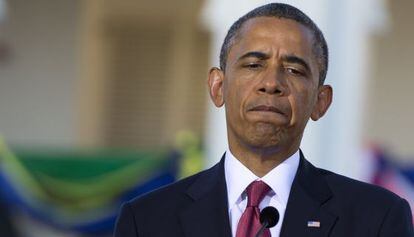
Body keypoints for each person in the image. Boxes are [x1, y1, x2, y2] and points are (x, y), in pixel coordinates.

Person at [114, 3, 413, 237]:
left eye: (295, 70)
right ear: (218, 87)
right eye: (254, 64)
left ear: (321, 102)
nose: (271, 83)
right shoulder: (148, 220)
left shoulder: (377, 218)